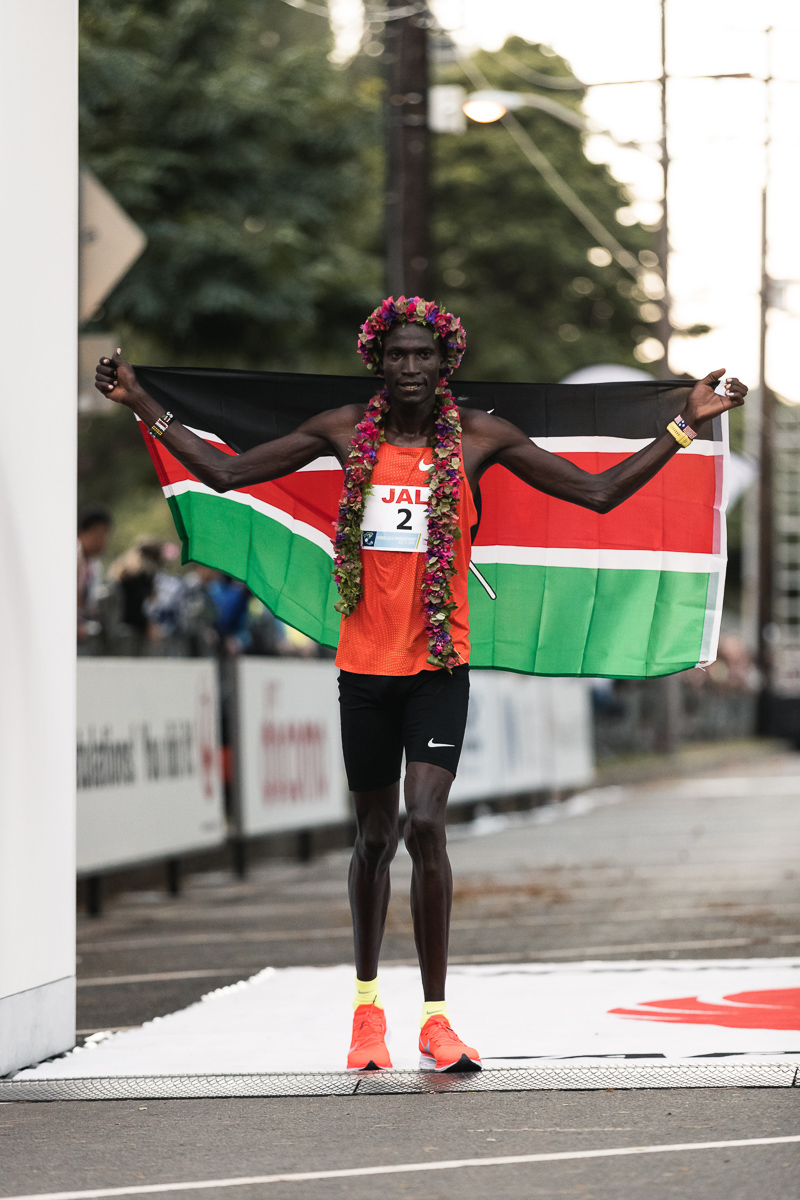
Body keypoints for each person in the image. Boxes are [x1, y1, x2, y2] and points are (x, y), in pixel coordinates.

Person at [95, 299, 747, 1072]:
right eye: (398, 355)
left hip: (439, 668)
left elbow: (596, 493)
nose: (411, 368)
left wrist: (684, 426)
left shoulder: (480, 437)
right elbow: (228, 472)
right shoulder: (344, 431)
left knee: (426, 824)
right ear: (379, 362)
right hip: (365, 671)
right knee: (374, 838)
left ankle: (436, 1020)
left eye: (424, 356)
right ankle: (367, 1011)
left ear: (446, 365)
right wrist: (141, 401)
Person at [77, 506, 111, 648]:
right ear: (81, 533)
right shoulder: (73, 555)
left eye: (106, 534)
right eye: (98, 533)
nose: (102, 540)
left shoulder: (94, 563)